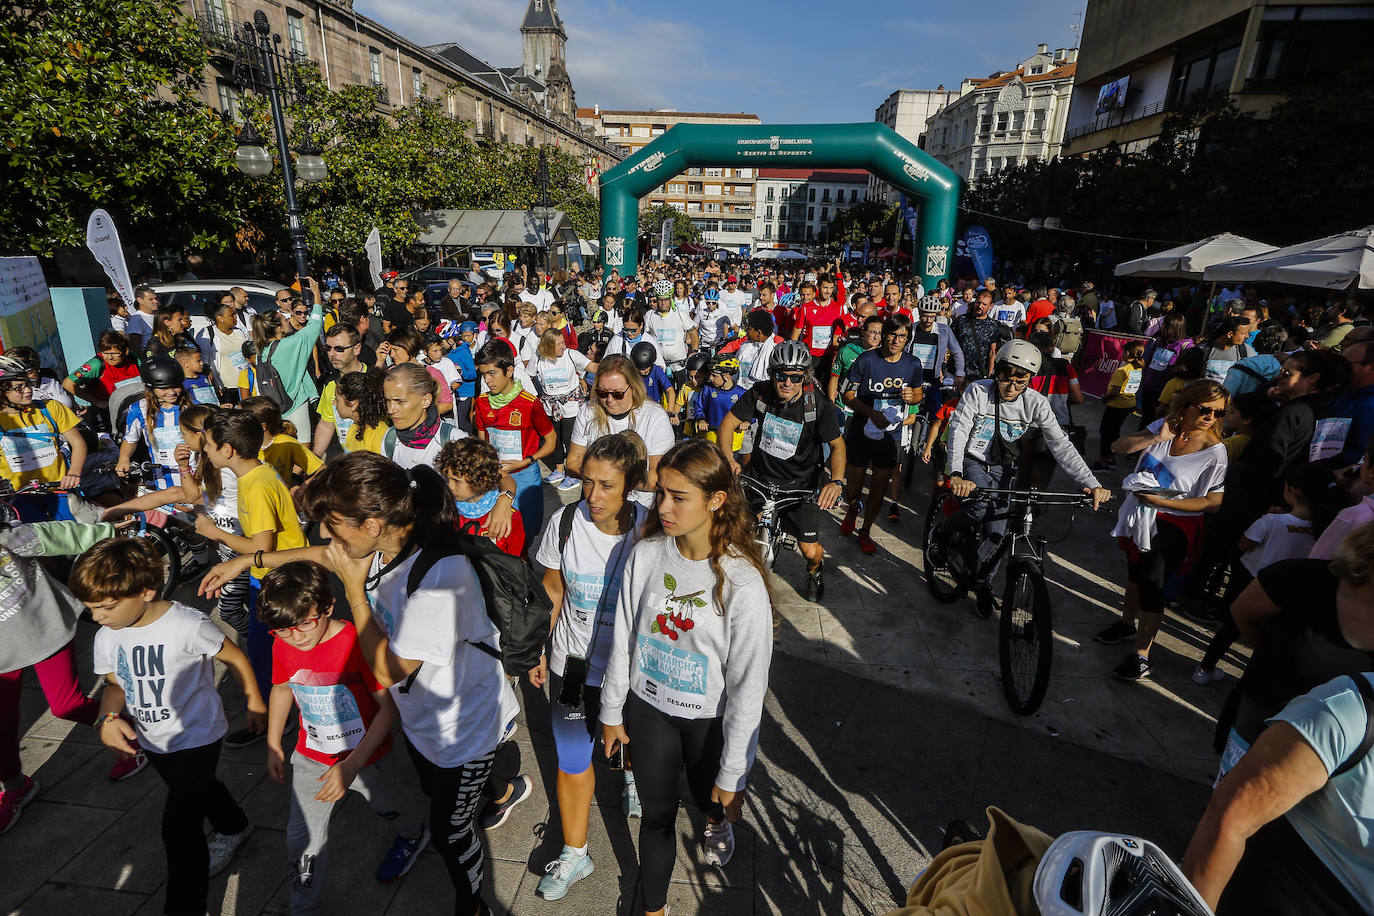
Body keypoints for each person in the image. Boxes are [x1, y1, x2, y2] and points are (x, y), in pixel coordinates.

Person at [204, 452, 520, 916]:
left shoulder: (441, 577)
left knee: (452, 831)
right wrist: (249, 561)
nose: (326, 538)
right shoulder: (377, 545)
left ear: (372, 524)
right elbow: (318, 554)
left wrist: (354, 590)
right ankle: (502, 788)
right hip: (421, 718)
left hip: (464, 727)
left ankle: (475, 905)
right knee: (436, 793)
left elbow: (390, 671)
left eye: (333, 526)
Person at [599, 440, 773, 916]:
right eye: (661, 494)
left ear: (716, 500)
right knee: (655, 817)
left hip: (706, 722)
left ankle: (717, 824)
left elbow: (747, 688)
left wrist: (734, 772)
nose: (663, 507)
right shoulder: (648, 555)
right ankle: (653, 908)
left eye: (678, 496)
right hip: (649, 708)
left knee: (709, 800)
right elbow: (625, 641)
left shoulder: (742, 582)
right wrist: (612, 713)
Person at [1181, 526, 1374, 915]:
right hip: (1262, 721)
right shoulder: (1303, 578)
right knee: (1227, 818)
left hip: (1345, 760)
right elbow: (1243, 614)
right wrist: (1279, 660)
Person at [75, 537, 262, 914]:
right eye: (90, 608)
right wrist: (107, 717)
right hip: (153, 738)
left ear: (146, 591)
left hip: (198, 736)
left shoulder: (187, 625)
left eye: (106, 607)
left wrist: (255, 701)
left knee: (179, 829)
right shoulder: (107, 636)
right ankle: (234, 824)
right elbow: (114, 685)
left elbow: (235, 657)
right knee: (197, 789)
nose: (97, 617)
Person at [258, 562, 431, 909]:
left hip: (369, 757)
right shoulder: (284, 642)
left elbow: (389, 709)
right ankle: (302, 907)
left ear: (327, 606)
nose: (296, 637)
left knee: (390, 805)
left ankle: (414, 834)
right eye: (283, 631)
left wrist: (352, 766)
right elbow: (281, 688)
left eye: (305, 623)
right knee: (301, 839)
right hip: (311, 756)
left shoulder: (356, 644)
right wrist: (274, 743)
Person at [530, 432, 649, 900]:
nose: (593, 496)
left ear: (633, 485)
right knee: (573, 757)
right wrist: (542, 647)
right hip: (574, 666)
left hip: (631, 672)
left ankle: (632, 775)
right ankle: (575, 851)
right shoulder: (565, 522)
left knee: (628, 747)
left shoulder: (651, 530)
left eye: (607, 486)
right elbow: (553, 588)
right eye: (587, 482)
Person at [1, 516, 144, 834]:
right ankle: (15, 787)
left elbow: (58, 534)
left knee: (66, 704)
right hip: (3, 655)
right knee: (2, 726)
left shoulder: (10, 537)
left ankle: (133, 735)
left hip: (45, 629)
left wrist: (108, 531)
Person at [943, 340, 1110, 587]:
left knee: (999, 532)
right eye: (1005, 379)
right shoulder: (978, 391)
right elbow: (958, 430)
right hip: (972, 461)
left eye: (1020, 382)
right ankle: (942, 534)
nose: (1011, 387)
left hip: (1004, 465)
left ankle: (983, 582)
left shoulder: (1036, 402)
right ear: (996, 370)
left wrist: (1091, 483)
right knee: (980, 507)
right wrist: (956, 473)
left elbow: (1060, 444)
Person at [1097, 380, 1229, 681]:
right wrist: (1156, 436)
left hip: (1175, 523)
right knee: (1134, 575)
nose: (1210, 418)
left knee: (1152, 585)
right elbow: (1118, 447)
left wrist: (1159, 500)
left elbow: (1213, 502)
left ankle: (1142, 656)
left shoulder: (1215, 452)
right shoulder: (1164, 427)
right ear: (1185, 406)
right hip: (1140, 516)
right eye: (1205, 409)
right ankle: (1126, 625)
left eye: (1219, 414)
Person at [719, 340, 845, 602]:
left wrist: (836, 482)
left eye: (796, 377)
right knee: (733, 531)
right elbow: (728, 423)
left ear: (805, 377)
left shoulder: (817, 405)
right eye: (781, 376)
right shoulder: (761, 393)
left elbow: (837, 445)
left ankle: (814, 571)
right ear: (771, 374)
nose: (787, 383)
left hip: (801, 485)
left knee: (809, 550)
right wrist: (728, 459)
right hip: (760, 478)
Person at [1193, 464, 1339, 685]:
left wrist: (1267, 518)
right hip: (1291, 592)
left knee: (1231, 628)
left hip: (1254, 584)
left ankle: (1205, 669)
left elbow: (1244, 544)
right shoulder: (1325, 528)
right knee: (1268, 637)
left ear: (1291, 490)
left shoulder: (1271, 521)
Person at [839, 318, 924, 554]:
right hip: (860, 431)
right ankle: (853, 508)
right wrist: (871, 413)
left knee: (878, 487)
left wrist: (912, 398)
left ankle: (865, 530)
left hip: (890, 436)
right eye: (893, 335)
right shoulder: (866, 359)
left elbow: (918, 394)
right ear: (884, 335)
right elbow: (847, 394)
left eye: (902, 337)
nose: (896, 341)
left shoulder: (913, 364)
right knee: (853, 486)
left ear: (908, 339)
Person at [566, 355, 675, 507]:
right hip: (595, 502)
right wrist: (606, 481)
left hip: (638, 507)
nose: (609, 400)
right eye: (602, 393)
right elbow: (572, 462)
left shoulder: (655, 416)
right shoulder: (588, 410)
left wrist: (612, 480)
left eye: (618, 394)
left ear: (634, 387)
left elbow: (660, 476)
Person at [472, 339, 555, 538]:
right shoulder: (482, 403)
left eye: (492, 373)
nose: (487, 381)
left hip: (526, 475)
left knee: (527, 530)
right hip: (496, 475)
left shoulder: (530, 404)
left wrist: (527, 461)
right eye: (483, 374)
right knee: (501, 531)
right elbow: (482, 441)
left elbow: (551, 441)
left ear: (509, 371)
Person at [0, 355, 88, 510]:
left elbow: (78, 443)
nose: (28, 390)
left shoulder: (50, 408)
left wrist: (74, 473)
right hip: (17, 499)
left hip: (59, 490)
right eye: (18, 388)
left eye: (28, 384)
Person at [257, 278, 325, 442]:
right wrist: (316, 295)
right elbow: (314, 326)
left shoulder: (263, 349)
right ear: (279, 327)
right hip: (295, 403)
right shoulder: (289, 344)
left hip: (276, 405)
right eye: (284, 319)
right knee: (303, 447)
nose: (288, 320)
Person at [437, 438, 526, 557]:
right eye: (447, 479)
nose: (450, 486)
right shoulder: (445, 510)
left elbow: (516, 560)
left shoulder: (508, 517)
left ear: (482, 481)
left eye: (456, 481)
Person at [117, 356, 192, 492]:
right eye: (164, 388)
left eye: (176, 386)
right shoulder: (139, 409)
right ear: (151, 387)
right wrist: (123, 458)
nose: (171, 392)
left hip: (195, 475)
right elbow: (130, 439)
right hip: (163, 479)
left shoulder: (193, 406)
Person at [531, 328, 591, 491]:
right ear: (548, 346)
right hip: (550, 407)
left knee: (570, 440)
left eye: (563, 342)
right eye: (558, 344)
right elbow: (529, 375)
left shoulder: (571, 355)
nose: (563, 347)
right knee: (554, 439)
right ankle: (559, 470)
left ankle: (573, 474)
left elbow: (592, 366)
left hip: (570, 406)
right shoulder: (539, 357)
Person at [379, 363, 465, 470]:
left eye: (400, 401)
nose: (391, 410)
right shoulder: (390, 439)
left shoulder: (455, 441)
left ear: (426, 400)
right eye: (388, 401)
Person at [312, 323, 370, 456]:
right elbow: (327, 424)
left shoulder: (374, 380)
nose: (332, 354)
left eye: (339, 349)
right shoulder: (331, 385)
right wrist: (314, 462)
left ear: (357, 349)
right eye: (328, 348)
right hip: (349, 460)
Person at [1092, 339, 1146, 471]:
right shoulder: (1137, 368)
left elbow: (1115, 392)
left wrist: (1105, 399)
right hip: (1129, 404)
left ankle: (1103, 462)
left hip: (1116, 405)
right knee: (1114, 431)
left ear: (1127, 353)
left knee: (1106, 432)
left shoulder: (1121, 370)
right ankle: (1111, 458)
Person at [645, 280, 697, 381]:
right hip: (659, 364)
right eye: (659, 300)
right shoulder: (649, 315)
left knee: (680, 394)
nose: (663, 303)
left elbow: (693, 332)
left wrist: (694, 351)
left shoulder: (681, 314)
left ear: (670, 299)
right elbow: (644, 337)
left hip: (679, 365)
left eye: (666, 300)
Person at [335, 369, 390, 455]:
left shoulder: (380, 435)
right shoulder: (353, 429)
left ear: (353, 404)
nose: (333, 403)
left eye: (337, 400)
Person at [950, 289, 1000, 381]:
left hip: (979, 374)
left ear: (991, 306)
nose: (980, 306)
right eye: (978, 302)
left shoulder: (993, 325)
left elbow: (993, 352)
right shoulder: (960, 321)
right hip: (957, 373)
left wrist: (990, 373)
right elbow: (948, 344)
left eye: (984, 304)